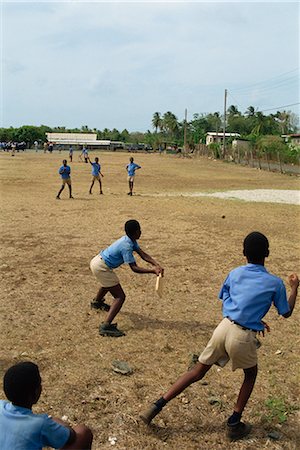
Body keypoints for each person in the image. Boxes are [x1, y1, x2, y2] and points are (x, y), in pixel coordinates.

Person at [140, 232, 299, 441]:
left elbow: (227, 299)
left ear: (243, 253)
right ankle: (234, 423)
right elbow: (286, 312)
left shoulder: (234, 273)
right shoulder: (275, 282)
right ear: (267, 253)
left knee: (197, 371)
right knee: (250, 375)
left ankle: (155, 406)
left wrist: (250, 318)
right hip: (242, 336)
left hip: (223, 328)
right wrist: (295, 288)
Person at [90, 219, 164, 337]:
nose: (141, 232)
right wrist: (152, 271)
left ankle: (97, 302)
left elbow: (142, 254)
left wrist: (156, 264)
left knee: (108, 283)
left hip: (97, 262)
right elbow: (134, 268)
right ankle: (106, 326)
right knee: (120, 296)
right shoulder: (127, 246)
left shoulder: (130, 239)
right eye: (139, 230)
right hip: (101, 267)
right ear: (135, 232)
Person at [0, 361, 93, 450]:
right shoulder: (40, 424)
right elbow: (71, 437)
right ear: (35, 393)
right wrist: (57, 421)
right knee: (83, 432)